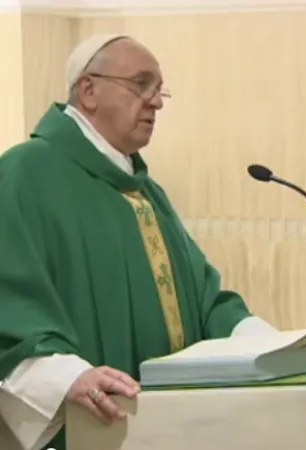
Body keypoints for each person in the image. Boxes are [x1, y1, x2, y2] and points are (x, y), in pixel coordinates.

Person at [0, 34, 276, 450]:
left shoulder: (145, 193)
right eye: (141, 84)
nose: (156, 102)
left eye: (159, 89)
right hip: (86, 425)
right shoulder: (26, 174)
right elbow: (11, 301)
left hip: (161, 428)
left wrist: (272, 344)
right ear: (88, 90)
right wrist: (63, 375)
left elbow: (203, 300)